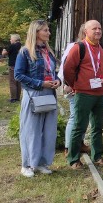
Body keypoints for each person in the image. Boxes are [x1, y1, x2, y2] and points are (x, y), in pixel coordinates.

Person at [62, 19, 103, 169]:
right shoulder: (79, 48)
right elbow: (67, 69)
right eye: (94, 29)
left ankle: (97, 156)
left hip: (100, 95)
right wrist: (75, 85)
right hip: (83, 94)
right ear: (86, 32)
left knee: (98, 127)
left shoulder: (102, 49)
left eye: (100, 28)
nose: (98, 31)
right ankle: (74, 159)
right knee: (79, 126)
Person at [14, 20, 61, 177]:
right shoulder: (25, 52)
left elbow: (54, 72)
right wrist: (41, 83)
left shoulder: (49, 52)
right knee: (31, 131)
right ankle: (27, 164)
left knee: (48, 131)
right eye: (45, 30)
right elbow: (18, 75)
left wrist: (57, 81)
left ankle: (41, 162)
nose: (48, 33)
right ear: (36, 32)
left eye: (48, 30)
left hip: (49, 94)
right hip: (34, 95)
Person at [58, 24, 89, 157]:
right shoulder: (75, 46)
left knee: (84, 118)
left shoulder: (91, 47)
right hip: (74, 87)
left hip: (87, 89)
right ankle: (69, 147)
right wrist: (68, 84)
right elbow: (66, 67)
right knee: (75, 117)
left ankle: (79, 142)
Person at [2, 34, 22, 103]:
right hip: (20, 65)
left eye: (11, 39)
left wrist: (4, 50)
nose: (10, 40)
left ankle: (13, 98)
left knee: (12, 81)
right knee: (18, 82)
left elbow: (4, 54)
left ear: (14, 39)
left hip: (13, 65)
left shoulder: (12, 46)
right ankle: (18, 97)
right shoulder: (21, 46)